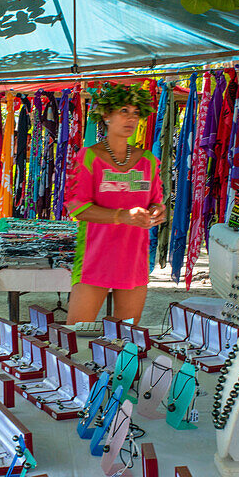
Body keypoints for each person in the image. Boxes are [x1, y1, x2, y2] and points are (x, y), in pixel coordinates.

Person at [65, 83, 166, 323]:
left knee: (125, 336)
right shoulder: (88, 157)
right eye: (123, 110)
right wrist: (122, 216)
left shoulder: (149, 161)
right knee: (75, 335)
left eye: (135, 113)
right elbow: (76, 207)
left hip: (134, 260)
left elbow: (157, 203)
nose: (131, 118)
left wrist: (156, 213)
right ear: (106, 115)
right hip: (94, 259)